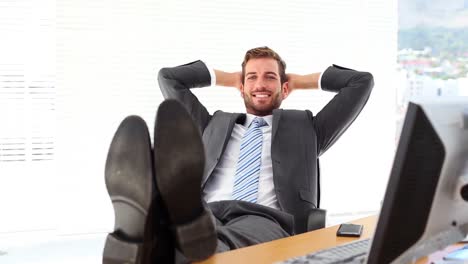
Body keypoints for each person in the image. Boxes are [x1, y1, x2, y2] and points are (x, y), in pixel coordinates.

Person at [102, 46, 374, 263]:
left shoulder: (308, 128)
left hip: (264, 217)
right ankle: (165, 229)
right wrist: (229, 78)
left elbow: (360, 82)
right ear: (241, 87)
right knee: (195, 235)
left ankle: (143, 241)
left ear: (285, 87)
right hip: (202, 211)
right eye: (251, 77)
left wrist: (302, 81)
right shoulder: (213, 124)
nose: (260, 84)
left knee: (211, 242)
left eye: (270, 77)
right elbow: (169, 78)